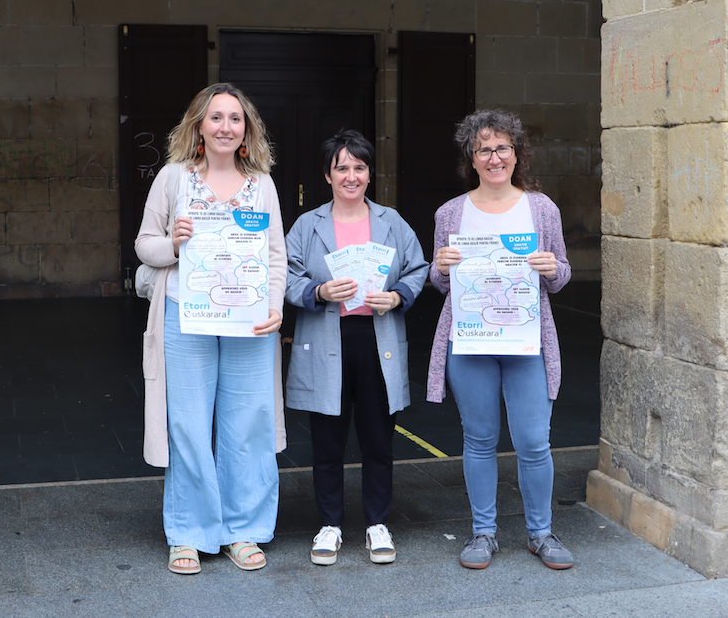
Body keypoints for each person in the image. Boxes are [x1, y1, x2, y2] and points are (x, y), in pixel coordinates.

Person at [134, 82, 285, 575]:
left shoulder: (261, 183)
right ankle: (189, 532)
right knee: (189, 425)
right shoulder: (173, 178)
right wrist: (174, 245)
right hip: (187, 315)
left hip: (250, 320)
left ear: (247, 129)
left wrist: (275, 307)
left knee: (248, 424)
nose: (226, 126)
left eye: (235, 118)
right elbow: (144, 244)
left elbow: (276, 256)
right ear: (199, 126)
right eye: (216, 117)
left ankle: (243, 530)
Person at [427, 110, 573, 570]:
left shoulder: (541, 208)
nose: (494, 158)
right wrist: (440, 268)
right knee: (479, 439)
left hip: (526, 343)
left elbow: (562, 275)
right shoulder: (450, 212)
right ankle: (483, 532)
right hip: (471, 342)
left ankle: (541, 533)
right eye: (484, 149)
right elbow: (440, 281)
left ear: (517, 153)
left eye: (502, 148)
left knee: (534, 441)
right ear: (471, 158)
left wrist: (553, 268)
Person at [285, 129, 428, 566]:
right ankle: (329, 524)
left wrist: (398, 296)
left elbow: (418, 267)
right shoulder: (307, 225)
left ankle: (376, 523)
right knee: (327, 441)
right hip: (325, 338)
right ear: (327, 175)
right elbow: (284, 275)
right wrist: (318, 291)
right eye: (342, 167)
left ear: (369, 173)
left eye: (359, 167)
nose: (351, 176)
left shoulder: (391, 221)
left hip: (377, 339)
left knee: (378, 438)